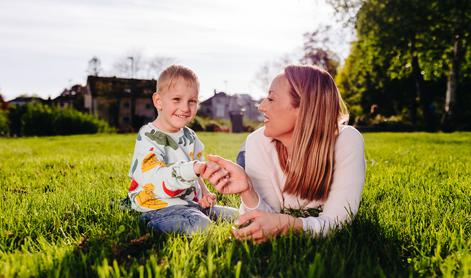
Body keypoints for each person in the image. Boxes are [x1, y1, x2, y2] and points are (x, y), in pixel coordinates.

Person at [201, 65, 366, 243]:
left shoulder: (347, 140)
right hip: (253, 151)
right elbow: (266, 219)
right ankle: (244, 162)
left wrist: (289, 224)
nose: (261, 106)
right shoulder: (257, 141)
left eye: (271, 99)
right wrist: (248, 190)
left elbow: (336, 223)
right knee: (245, 156)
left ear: (305, 109)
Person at [128, 64, 237, 235]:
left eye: (191, 101)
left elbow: (196, 173)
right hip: (158, 206)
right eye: (177, 99)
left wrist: (204, 193)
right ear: (158, 101)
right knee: (201, 225)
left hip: (189, 204)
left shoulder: (189, 136)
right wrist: (192, 168)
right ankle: (152, 224)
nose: (185, 108)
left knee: (238, 216)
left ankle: (197, 215)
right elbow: (155, 180)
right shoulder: (148, 136)